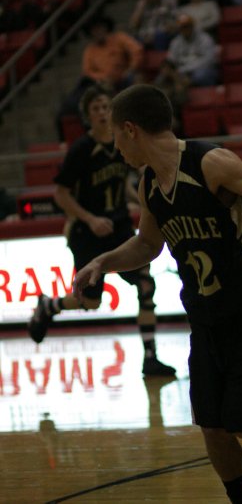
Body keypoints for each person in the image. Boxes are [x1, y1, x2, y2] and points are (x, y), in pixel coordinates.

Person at [71, 82, 242, 504]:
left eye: (117, 137)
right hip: (204, 313)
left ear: (130, 129)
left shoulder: (210, 162)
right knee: (211, 427)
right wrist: (102, 261)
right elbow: (147, 245)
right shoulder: (149, 183)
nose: (116, 148)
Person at [28, 85, 176, 377]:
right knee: (91, 301)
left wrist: (141, 200)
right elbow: (61, 194)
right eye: (95, 108)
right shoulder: (82, 149)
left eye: (106, 107)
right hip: (87, 232)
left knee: (146, 284)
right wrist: (91, 218)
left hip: (118, 227)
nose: (102, 113)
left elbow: (120, 184)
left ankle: (150, 357)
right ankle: (49, 305)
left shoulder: (121, 144)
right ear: (87, 117)